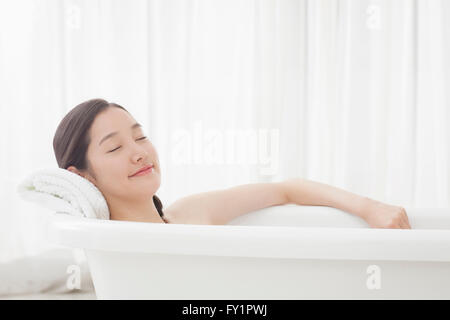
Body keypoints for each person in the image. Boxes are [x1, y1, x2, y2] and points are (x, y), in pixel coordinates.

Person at [53, 98, 411, 229]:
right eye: (115, 148)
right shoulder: (104, 241)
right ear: (81, 176)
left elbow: (287, 189)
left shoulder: (192, 213)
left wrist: (371, 208)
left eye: (140, 136)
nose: (139, 152)